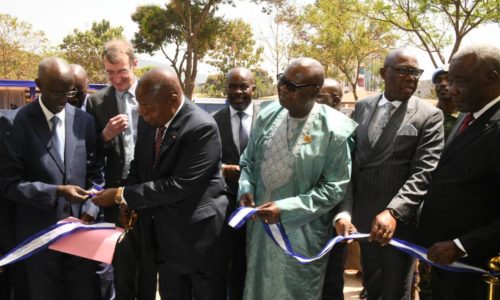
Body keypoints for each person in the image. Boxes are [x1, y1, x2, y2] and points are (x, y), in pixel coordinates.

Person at [92, 68, 229, 300]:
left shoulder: (201, 128)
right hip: (165, 238)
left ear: (173, 100)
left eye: (147, 106)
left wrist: (120, 194)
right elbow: (140, 164)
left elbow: (177, 186)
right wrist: (128, 205)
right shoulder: (151, 118)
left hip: (198, 238)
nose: (141, 112)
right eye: (139, 104)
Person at [238, 57, 357, 299]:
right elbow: (248, 161)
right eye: (282, 81)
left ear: (315, 91)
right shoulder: (268, 113)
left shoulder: (334, 129)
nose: (283, 88)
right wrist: (246, 188)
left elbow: (334, 188)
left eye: (292, 86)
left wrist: (285, 208)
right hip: (260, 232)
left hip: (300, 235)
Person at [336, 48, 444, 299]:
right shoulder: (362, 107)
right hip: (363, 221)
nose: (411, 77)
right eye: (403, 71)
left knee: (395, 291)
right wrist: (346, 211)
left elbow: (424, 172)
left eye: (415, 72)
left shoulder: (429, 115)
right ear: (384, 73)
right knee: (372, 288)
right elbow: (351, 163)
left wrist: (394, 212)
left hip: (397, 225)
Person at [0, 57, 103, 300]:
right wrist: (56, 191)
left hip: (79, 235)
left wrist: (90, 210)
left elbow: (96, 173)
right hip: (37, 238)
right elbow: (9, 184)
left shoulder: (84, 121)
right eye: (57, 92)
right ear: (38, 86)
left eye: (69, 92)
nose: (63, 99)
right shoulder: (14, 123)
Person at [418, 44, 500, 300]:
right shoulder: (467, 116)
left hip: (477, 269)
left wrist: (462, 246)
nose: (451, 89)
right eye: (450, 80)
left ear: (492, 79)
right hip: (445, 264)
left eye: (460, 82)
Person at [86, 39, 152, 300]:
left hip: (148, 190)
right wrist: (104, 135)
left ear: (135, 64)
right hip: (114, 192)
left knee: (147, 262)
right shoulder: (96, 102)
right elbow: (89, 153)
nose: (116, 78)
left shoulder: (152, 94)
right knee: (120, 262)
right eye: (109, 72)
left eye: (121, 71)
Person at [212, 67, 261, 300]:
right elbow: (205, 162)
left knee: (255, 264)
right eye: (233, 86)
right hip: (226, 205)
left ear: (254, 88)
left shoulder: (270, 118)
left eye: (244, 86)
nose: (238, 91)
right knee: (227, 264)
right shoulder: (213, 122)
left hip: (261, 204)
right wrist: (221, 170)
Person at [318, 78, 360, 300]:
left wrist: (343, 214)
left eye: (319, 95)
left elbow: (349, 178)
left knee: (332, 282)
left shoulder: (347, 130)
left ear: (335, 99)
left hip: (335, 222)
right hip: (305, 222)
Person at [433, 65, 460, 139]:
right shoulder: (429, 115)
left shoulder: (466, 117)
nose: (443, 84)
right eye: (438, 81)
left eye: (449, 79)